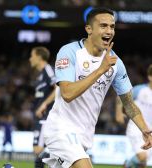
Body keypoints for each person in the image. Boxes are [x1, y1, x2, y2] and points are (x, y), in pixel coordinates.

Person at [42, 7, 152, 168]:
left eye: (112, 26)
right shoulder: (70, 52)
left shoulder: (116, 63)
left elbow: (128, 103)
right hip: (61, 129)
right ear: (89, 29)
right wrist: (101, 69)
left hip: (85, 136)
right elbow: (67, 93)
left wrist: (145, 129)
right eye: (103, 26)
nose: (109, 30)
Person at [115, 64, 152, 168]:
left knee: (142, 164)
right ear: (150, 76)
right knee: (142, 157)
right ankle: (127, 164)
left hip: (150, 131)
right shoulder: (139, 90)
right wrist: (119, 112)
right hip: (136, 128)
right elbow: (121, 96)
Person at [29, 46, 56, 168]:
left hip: (46, 117)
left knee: (38, 151)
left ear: (39, 57)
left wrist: (44, 105)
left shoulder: (48, 70)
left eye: (32, 56)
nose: (30, 59)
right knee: (39, 153)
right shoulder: (40, 75)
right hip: (41, 117)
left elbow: (58, 88)